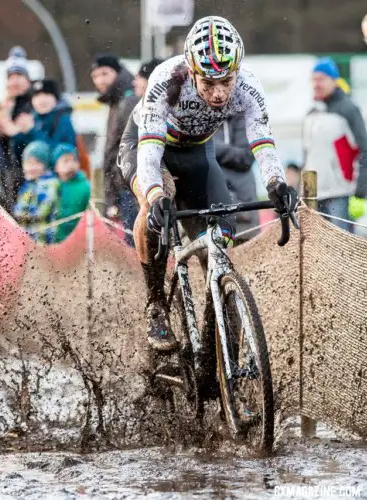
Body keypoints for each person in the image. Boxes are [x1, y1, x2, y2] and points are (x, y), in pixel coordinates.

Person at [119, 16, 295, 351]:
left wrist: (276, 183)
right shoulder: (167, 79)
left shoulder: (248, 85)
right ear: (192, 71)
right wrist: (156, 194)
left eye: (225, 82)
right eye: (209, 83)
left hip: (198, 151)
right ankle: (156, 306)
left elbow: (262, 141)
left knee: (217, 237)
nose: (218, 93)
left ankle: (218, 324)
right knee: (157, 202)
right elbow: (150, 154)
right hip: (149, 146)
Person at [303, 57, 367, 233]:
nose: (316, 84)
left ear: (334, 80)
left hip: (339, 192)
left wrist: (361, 188)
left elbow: (364, 148)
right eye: (314, 79)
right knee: (315, 244)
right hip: (312, 193)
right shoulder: (311, 113)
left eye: (321, 79)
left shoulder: (348, 109)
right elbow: (308, 154)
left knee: (341, 244)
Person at [90, 52, 139, 246]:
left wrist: (114, 194)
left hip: (130, 186)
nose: (99, 80)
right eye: (95, 76)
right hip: (124, 185)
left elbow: (121, 150)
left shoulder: (127, 101)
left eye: (104, 73)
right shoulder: (115, 101)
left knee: (136, 246)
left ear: (117, 72)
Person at [213, 113, 259, 241]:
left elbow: (247, 157)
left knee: (247, 254)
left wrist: (211, 148)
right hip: (210, 210)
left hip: (243, 211)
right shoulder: (197, 118)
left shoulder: (245, 117)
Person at [13, 141, 60, 244]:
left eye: (36, 163)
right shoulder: (28, 185)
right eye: (28, 163)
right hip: (28, 238)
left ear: (45, 164)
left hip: (44, 238)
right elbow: (18, 207)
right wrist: (19, 213)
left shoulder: (50, 183)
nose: (31, 167)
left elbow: (42, 211)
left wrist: (23, 215)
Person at [53, 143, 91, 243]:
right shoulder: (53, 186)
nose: (70, 164)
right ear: (56, 166)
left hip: (80, 239)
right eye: (65, 160)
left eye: (74, 160)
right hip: (56, 240)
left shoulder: (86, 187)